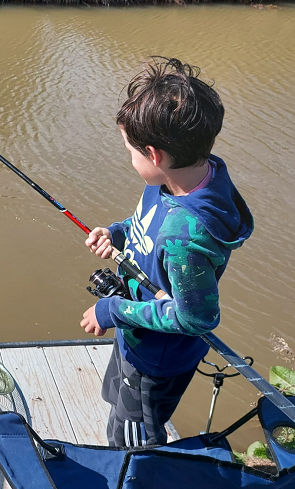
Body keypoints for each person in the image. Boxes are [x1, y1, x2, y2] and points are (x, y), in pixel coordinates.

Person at [80, 57, 253, 447]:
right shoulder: (191, 173)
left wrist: (111, 310)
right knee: (117, 406)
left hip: (155, 360)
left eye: (130, 151)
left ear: (154, 155)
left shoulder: (185, 238)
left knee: (132, 441)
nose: (130, 159)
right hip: (138, 334)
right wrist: (119, 233)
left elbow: (197, 318)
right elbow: (148, 222)